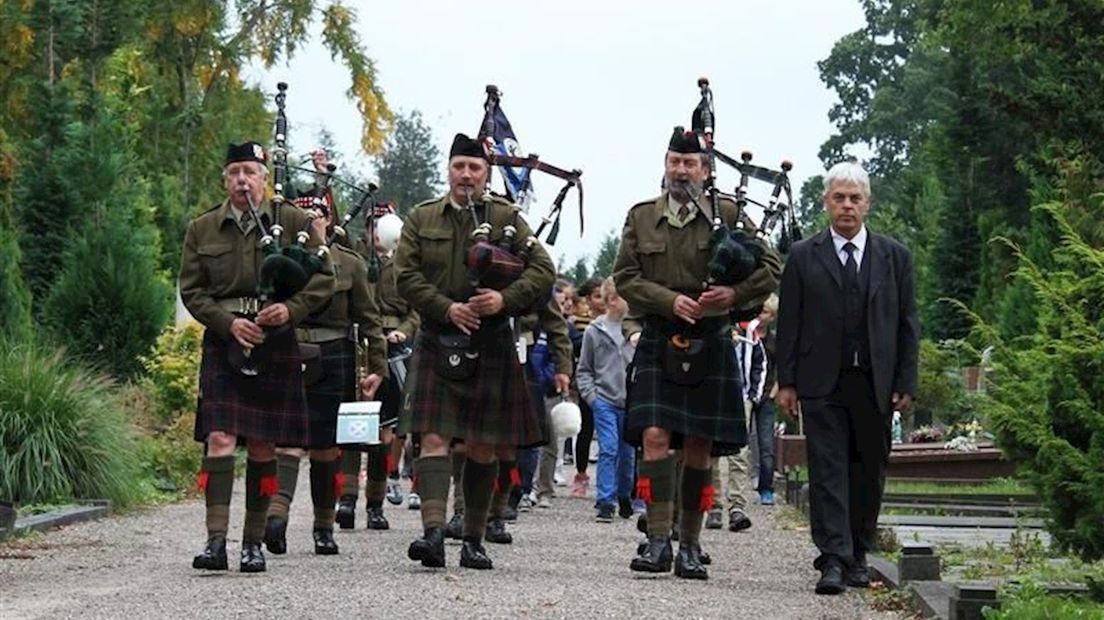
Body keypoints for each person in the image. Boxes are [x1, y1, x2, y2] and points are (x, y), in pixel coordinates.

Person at [613, 127, 781, 580]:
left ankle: (690, 545)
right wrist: (669, 300)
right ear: (665, 165)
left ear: (706, 171)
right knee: (654, 436)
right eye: (674, 161)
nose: (680, 170)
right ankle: (656, 542)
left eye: (690, 163)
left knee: (700, 447)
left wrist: (732, 294)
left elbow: (771, 267)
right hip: (659, 334)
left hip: (711, 337)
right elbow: (625, 277)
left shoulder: (728, 213)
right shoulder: (642, 216)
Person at [394, 133, 556, 570]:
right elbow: (403, 276)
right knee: (432, 436)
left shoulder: (507, 218)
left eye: (475, 168)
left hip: (490, 342)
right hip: (437, 336)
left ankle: (473, 538)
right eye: (459, 167)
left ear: (486, 174)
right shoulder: (422, 217)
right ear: (448, 170)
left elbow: (544, 271)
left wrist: (504, 301)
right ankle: (431, 534)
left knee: (483, 445)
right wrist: (447, 309)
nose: (466, 175)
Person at [180, 141, 334, 573]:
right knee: (221, 438)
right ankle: (215, 543)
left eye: (250, 171)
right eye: (234, 173)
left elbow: (327, 277)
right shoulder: (203, 228)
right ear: (224, 179)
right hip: (224, 341)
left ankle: (252, 543)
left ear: (265, 178)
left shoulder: (294, 221)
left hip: (275, 341)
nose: (242, 180)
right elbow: (192, 291)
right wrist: (228, 324)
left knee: (265, 442)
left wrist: (291, 310)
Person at [775, 161, 919, 595]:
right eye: (839, 197)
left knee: (867, 469)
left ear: (868, 204)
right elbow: (790, 321)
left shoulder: (895, 257)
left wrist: (906, 381)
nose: (847, 206)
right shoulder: (803, 256)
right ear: (826, 203)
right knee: (827, 470)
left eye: (855, 198)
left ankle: (859, 552)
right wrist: (787, 381)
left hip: (874, 382)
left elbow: (908, 323)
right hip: (821, 383)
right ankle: (832, 559)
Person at [262, 190, 387, 555]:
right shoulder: (278, 255)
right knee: (285, 441)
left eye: (318, 213)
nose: (312, 220)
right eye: (303, 214)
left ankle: (323, 526)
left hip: (333, 354)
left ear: (330, 218)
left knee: (325, 447)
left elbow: (369, 319)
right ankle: (276, 518)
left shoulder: (349, 264)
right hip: (286, 349)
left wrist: (377, 367)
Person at [335, 202, 421, 531]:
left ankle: (375, 504)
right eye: (371, 225)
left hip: (392, 348)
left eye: (381, 226)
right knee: (352, 426)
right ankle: (346, 499)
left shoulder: (404, 266)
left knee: (384, 432)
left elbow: (416, 309)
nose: (376, 232)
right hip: (358, 346)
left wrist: (405, 330)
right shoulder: (354, 258)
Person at [576, 277, 635, 522]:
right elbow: (584, 369)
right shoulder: (594, 331)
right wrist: (592, 397)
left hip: (630, 400)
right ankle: (605, 500)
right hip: (604, 400)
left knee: (628, 452)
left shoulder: (634, 332)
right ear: (612, 299)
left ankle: (624, 494)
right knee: (608, 448)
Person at [570, 277, 604, 497]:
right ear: (589, 299)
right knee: (585, 428)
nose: (602, 301)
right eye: (597, 296)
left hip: (612, 381)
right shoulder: (579, 323)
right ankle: (581, 474)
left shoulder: (620, 320)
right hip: (588, 381)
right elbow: (574, 348)